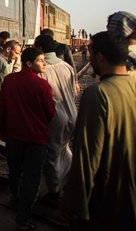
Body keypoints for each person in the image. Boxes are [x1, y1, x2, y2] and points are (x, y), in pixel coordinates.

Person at [61, 31, 136, 230]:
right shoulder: (133, 83)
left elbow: (87, 155)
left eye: (91, 53)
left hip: (109, 195)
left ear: (100, 56)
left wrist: (75, 203)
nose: (90, 57)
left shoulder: (98, 93)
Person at [0, 47, 55, 231]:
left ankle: (16, 198)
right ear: (29, 63)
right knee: (31, 176)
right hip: (36, 139)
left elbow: (2, 110)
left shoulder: (9, 81)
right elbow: (51, 113)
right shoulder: (42, 86)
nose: (44, 63)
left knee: (14, 171)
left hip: (13, 137)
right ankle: (23, 218)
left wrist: (3, 131)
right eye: (40, 60)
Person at [33, 34, 78, 208]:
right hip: (72, 113)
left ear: (40, 50)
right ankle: (66, 179)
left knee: (51, 156)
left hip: (55, 118)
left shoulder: (42, 71)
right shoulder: (67, 66)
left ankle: (53, 193)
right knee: (64, 148)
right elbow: (73, 90)